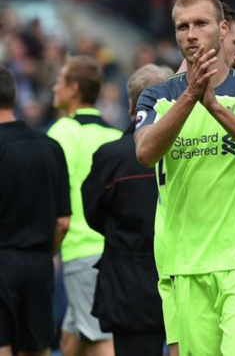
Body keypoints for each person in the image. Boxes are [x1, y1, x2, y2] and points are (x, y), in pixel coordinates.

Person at [134, 0, 235, 355]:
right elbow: (145, 153)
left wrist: (215, 107)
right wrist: (191, 96)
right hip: (187, 264)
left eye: (200, 23)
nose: (191, 33)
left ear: (221, 29)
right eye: (181, 27)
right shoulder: (157, 98)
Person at [81, 64, 174, 356]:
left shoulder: (111, 156)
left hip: (128, 282)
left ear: (133, 106)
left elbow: (93, 214)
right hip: (184, 272)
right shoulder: (192, 152)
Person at [47, 56, 122, 356]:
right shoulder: (115, 135)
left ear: (73, 88)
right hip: (110, 250)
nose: (54, 87)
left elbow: (50, 193)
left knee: (100, 339)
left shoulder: (62, 132)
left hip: (79, 250)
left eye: (59, 81)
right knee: (69, 341)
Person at [0, 66, 70, 356]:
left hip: (2, 261)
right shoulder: (50, 147)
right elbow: (63, 223)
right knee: (38, 348)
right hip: (40, 264)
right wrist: (45, 254)